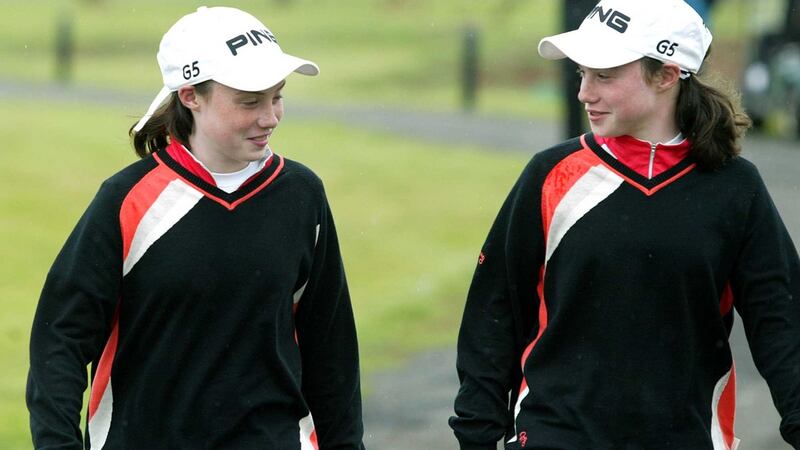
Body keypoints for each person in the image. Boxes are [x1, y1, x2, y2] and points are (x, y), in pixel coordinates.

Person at [449, 0, 800, 449]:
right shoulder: (550, 174)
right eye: (582, 74)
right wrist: (476, 435)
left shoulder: (735, 188)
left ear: (667, 74)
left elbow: (781, 323)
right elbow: (492, 317)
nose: (584, 93)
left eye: (605, 75)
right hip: (553, 436)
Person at [27, 6, 364, 449]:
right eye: (249, 102)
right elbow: (61, 339)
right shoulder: (128, 199)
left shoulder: (301, 194)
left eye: (276, 96)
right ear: (190, 96)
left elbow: (330, 347)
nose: (270, 117)